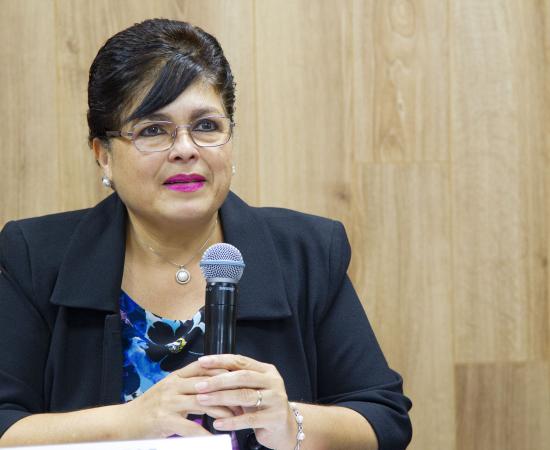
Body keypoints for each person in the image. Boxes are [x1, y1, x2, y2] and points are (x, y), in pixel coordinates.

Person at [0, 19, 412, 450]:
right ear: (104, 155)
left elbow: (384, 419)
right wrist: (128, 422)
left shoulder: (307, 252)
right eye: (153, 130)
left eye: (206, 126)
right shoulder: (36, 256)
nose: (185, 149)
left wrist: (291, 421)